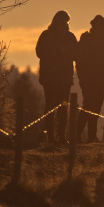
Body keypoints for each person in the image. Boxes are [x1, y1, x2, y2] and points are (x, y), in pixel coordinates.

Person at [35, 10, 77, 144]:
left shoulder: (70, 37)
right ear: (56, 22)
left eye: (66, 22)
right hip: (50, 79)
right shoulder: (46, 35)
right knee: (50, 106)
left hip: (65, 80)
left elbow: (77, 54)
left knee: (63, 106)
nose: (65, 24)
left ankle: (61, 136)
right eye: (62, 21)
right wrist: (57, 53)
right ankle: (51, 137)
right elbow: (39, 52)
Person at [74, 14, 104, 143]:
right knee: (88, 106)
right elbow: (80, 63)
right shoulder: (86, 41)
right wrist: (83, 79)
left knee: (96, 108)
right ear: (97, 28)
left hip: (100, 81)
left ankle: (92, 136)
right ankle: (78, 134)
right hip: (89, 80)